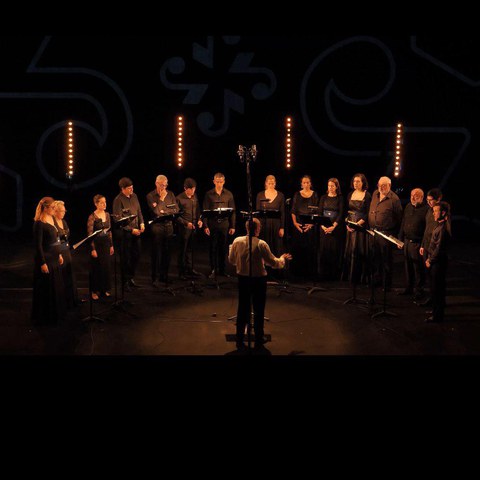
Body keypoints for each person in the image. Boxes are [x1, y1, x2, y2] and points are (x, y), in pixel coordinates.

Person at [228, 218, 292, 349]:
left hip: (243, 278)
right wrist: (282, 259)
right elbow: (273, 262)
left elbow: (232, 260)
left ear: (247, 228)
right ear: (257, 229)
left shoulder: (237, 241)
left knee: (242, 309)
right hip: (258, 280)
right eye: (259, 227)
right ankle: (258, 338)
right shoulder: (261, 244)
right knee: (258, 309)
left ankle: (239, 339)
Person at [31, 197, 67, 326]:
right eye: (52, 207)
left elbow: (57, 239)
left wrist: (60, 254)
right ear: (45, 208)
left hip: (55, 257)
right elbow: (38, 245)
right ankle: (46, 316)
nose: (54, 209)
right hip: (47, 259)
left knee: (56, 287)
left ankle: (56, 314)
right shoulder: (39, 223)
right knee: (47, 288)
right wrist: (42, 262)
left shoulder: (52, 219)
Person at [368, 176, 403, 290]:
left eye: (384, 185)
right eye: (380, 185)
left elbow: (399, 218)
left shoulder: (394, 199)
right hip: (374, 233)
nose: (381, 187)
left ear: (389, 186)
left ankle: (386, 284)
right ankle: (377, 280)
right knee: (375, 258)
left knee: (386, 259)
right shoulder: (375, 194)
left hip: (386, 234)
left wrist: (395, 235)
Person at [112, 177, 145, 291]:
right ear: (123, 189)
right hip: (125, 234)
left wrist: (142, 223)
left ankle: (131, 277)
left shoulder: (134, 196)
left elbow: (139, 211)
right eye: (129, 188)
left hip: (137, 231)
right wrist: (131, 230)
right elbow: (118, 220)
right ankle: (124, 282)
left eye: (132, 188)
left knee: (136, 255)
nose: (132, 190)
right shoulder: (118, 200)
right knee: (125, 258)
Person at [146, 175, 179, 286]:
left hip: (169, 226)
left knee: (167, 253)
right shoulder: (150, 196)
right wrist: (161, 199)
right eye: (161, 185)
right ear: (156, 183)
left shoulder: (171, 194)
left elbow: (176, 209)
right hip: (157, 227)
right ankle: (155, 278)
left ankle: (164, 276)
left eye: (165, 185)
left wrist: (164, 211)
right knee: (157, 253)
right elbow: (156, 212)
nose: (164, 187)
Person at [397, 188, 429, 300]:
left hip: (417, 243)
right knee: (408, 267)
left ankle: (419, 290)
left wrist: (423, 245)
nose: (413, 197)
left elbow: (427, 229)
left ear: (421, 197)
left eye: (416, 195)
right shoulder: (408, 207)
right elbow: (403, 222)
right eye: (411, 195)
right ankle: (409, 287)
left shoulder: (426, 209)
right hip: (406, 241)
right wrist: (400, 239)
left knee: (418, 268)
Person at [203, 172, 236, 278]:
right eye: (217, 182)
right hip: (212, 224)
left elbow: (233, 212)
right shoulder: (208, 194)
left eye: (221, 182)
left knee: (223, 248)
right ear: (214, 182)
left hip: (224, 224)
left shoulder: (229, 194)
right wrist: (205, 226)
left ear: (224, 182)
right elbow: (205, 211)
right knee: (212, 248)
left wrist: (233, 226)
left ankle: (222, 270)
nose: (219, 184)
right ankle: (213, 270)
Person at [342, 173, 372, 284]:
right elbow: (347, 211)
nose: (356, 183)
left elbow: (368, 212)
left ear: (363, 182)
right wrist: (347, 223)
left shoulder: (367, 195)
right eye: (354, 181)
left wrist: (359, 223)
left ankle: (360, 277)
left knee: (359, 250)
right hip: (350, 225)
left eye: (358, 181)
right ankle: (350, 276)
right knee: (350, 250)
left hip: (361, 226)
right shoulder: (350, 194)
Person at [424, 201, 451, 323]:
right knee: (434, 288)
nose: (434, 213)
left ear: (443, 212)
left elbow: (439, 248)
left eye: (436, 211)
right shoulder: (439, 225)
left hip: (438, 263)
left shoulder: (443, 229)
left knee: (437, 289)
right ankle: (435, 311)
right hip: (435, 262)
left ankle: (437, 315)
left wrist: (430, 259)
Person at [417, 188, 444, 307]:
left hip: (434, 249)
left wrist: (432, 255)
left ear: (438, 199)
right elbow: (426, 229)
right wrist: (423, 245)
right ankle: (431, 297)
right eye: (427, 200)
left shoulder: (442, 213)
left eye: (431, 200)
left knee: (436, 278)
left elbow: (440, 237)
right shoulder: (429, 211)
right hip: (426, 247)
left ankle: (437, 301)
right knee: (428, 276)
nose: (428, 203)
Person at [290, 175, 319, 279]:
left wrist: (311, 224)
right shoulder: (297, 194)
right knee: (298, 249)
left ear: (310, 184)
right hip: (298, 225)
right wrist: (295, 223)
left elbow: (317, 211)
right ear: (301, 184)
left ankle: (309, 274)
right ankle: (297, 274)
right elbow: (293, 210)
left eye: (308, 182)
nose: (306, 184)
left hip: (310, 225)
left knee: (310, 248)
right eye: (304, 183)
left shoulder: (314, 194)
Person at [52, 200, 79, 308]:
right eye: (62, 211)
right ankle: (62, 301)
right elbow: (55, 238)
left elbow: (67, 234)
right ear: (56, 211)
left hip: (66, 250)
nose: (64, 213)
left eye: (64, 211)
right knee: (61, 276)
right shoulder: (53, 222)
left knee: (69, 274)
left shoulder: (64, 221)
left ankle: (71, 299)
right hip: (59, 252)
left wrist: (63, 237)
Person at [87, 195, 114, 300]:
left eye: (105, 202)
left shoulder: (107, 215)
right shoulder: (92, 216)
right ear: (96, 204)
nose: (104, 204)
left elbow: (109, 231)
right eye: (102, 202)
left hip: (106, 244)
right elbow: (90, 234)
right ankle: (94, 291)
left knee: (105, 267)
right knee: (96, 268)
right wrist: (93, 249)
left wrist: (111, 245)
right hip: (97, 245)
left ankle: (104, 289)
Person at [317, 177, 345, 280]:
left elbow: (341, 213)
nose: (330, 188)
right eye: (329, 186)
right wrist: (323, 226)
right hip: (323, 228)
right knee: (324, 250)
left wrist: (334, 226)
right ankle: (323, 274)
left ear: (336, 187)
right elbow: (320, 213)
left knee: (333, 250)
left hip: (335, 229)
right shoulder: (323, 197)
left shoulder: (340, 198)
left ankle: (333, 275)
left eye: (332, 186)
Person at [176, 177, 203, 280]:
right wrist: (186, 223)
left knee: (190, 250)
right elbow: (176, 216)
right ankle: (181, 272)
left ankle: (190, 268)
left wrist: (200, 220)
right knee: (182, 250)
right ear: (185, 188)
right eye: (190, 189)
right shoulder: (179, 198)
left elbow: (198, 210)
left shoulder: (194, 197)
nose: (193, 191)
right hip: (184, 229)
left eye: (194, 189)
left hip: (193, 227)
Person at [255, 174, 285, 257]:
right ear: (266, 183)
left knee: (276, 247)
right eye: (269, 183)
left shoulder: (280, 196)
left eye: (272, 183)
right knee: (264, 246)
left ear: (275, 183)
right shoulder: (260, 195)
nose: (271, 185)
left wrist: (282, 228)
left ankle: (276, 267)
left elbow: (282, 212)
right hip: (264, 224)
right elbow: (258, 212)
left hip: (276, 225)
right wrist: (257, 227)